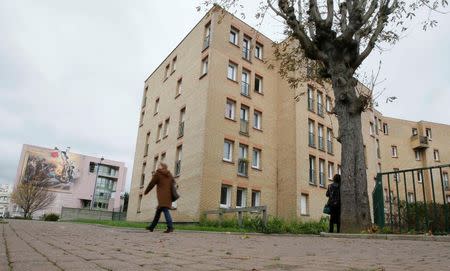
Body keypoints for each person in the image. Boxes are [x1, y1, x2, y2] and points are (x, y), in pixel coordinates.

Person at [144, 162, 174, 233]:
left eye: (159, 165)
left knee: (165, 210)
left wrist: (146, 191)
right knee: (158, 211)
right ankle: (152, 227)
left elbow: (152, 183)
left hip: (162, 196)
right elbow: (173, 183)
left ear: (162, 167)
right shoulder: (170, 174)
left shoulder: (158, 173)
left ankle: (170, 227)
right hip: (168, 196)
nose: (157, 167)